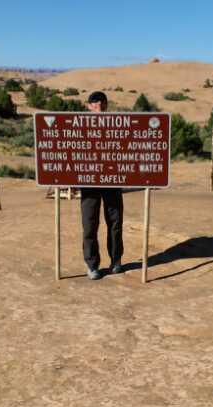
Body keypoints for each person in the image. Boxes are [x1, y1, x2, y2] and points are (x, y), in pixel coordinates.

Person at [81, 91, 123, 280]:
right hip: (88, 184)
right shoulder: (81, 127)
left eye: (102, 102)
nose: (98, 105)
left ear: (106, 105)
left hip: (112, 182)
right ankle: (92, 265)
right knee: (90, 225)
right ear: (89, 106)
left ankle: (116, 261)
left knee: (115, 223)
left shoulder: (117, 126)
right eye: (94, 102)